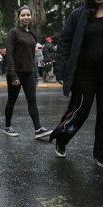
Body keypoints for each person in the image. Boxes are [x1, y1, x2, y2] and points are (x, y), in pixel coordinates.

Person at [49, 0, 103, 167]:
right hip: (83, 74)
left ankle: (100, 154)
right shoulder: (78, 14)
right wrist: (60, 70)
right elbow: (64, 42)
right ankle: (61, 138)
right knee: (80, 111)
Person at [3, 5, 52, 139]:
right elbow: (10, 54)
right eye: (23, 15)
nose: (26, 17)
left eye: (28, 15)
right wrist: (12, 74)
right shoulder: (14, 32)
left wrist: (35, 75)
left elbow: (33, 56)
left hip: (29, 73)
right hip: (16, 73)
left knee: (32, 100)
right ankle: (7, 127)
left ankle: (38, 129)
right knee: (11, 101)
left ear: (31, 16)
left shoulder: (32, 34)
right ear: (19, 17)